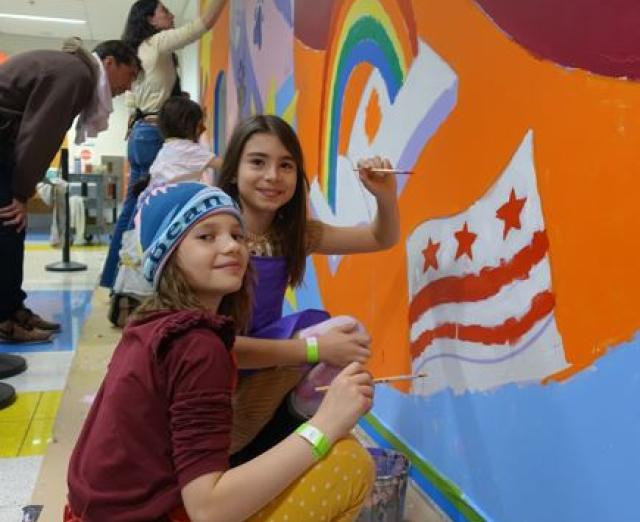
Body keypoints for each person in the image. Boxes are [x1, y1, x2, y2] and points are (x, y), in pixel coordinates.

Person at [66, 183, 375, 522]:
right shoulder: (199, 346)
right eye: (206, 236)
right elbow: (209, 510)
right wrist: (326, 424)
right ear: (168, 255)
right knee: (349, 463)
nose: (232, 246)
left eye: (237, 235)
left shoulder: (151, 323)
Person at [216, 115, 400, 462]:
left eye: (286, 165)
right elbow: (215, 346)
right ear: (233, 170)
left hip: (266, 353)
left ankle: (294, 420)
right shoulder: (214, 234)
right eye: (258, 162)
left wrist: (385, 196)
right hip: (216, 362)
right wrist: (315, 349)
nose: (272, 176)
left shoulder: (294, 233)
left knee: (349, 333)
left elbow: (381, 237)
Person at [0, 39, 140, 408]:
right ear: (110, 62)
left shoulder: (72, 70)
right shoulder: (76, 74)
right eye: (130, 74)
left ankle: (11, 312)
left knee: (9, 234)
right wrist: (20, 191)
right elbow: (40, 133)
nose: (129, 86)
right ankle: (6, 318)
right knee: (7, 231)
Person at [100, 0, 228, 290]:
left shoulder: (137, 53)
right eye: (163, 10)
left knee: (136, 204)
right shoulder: (156, 43)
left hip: (138, 133)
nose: (169, 14)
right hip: (152, 132)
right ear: (150, 19)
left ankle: (116, 278)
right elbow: (202, 25)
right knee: (148, 207)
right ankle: (138, 279)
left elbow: (133, 102)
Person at [150, 96, 222, 186]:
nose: (204, 129)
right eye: (199, 125)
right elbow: (225, 165)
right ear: (187, 126)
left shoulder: (167, 148)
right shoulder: (188, 149)